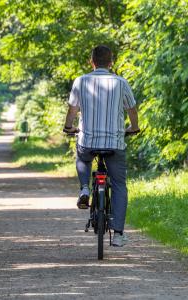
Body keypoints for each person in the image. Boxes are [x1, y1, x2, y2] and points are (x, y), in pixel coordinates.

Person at [63, 45, 140, 247]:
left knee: (83, 157)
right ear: (111, 62)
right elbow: (132, 109)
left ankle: (85, 189)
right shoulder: (120, 82)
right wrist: (134, 127)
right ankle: (119, 234)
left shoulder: (81, 81)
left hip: (88, 141)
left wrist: (68, 127)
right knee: (119, 185)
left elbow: (72, 109)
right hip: (114, 143)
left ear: (92, 61)